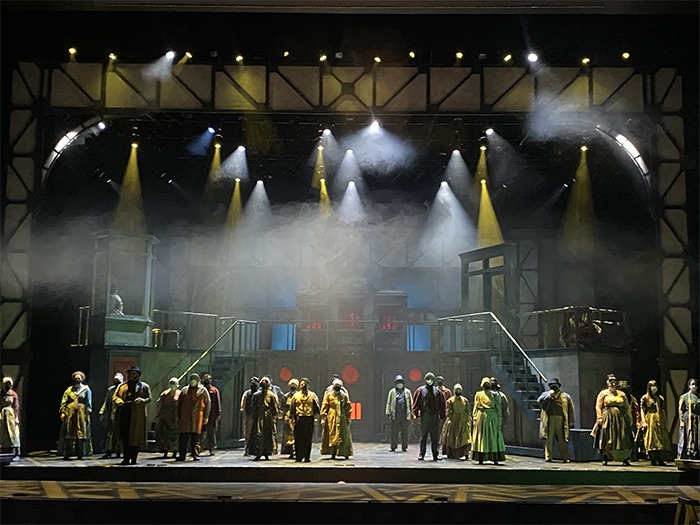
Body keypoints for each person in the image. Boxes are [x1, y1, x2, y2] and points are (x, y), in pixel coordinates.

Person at [591, 373, 633, 466]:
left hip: (620, 418)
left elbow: (627, 407)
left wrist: (629, 417)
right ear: (607, 383)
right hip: (608, 417)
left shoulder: (621, 394)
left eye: (614, 382)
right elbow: (598, 406)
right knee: (607, 436)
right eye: (611, 382)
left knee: (622, 436)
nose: (613, 384)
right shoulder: (603, 393)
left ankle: (624, 457)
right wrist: (599, 418)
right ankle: (606, 456)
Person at [112, 366, 151, 465]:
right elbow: (115, 396)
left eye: (134, 374)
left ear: (138, 375)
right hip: (124, 413)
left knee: (135, 438)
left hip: (137, 416)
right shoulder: (122, 386)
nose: (131, 375)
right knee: (125, 437)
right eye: (130, 373)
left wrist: (142, 400)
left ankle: (134, 458)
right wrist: (119, 401)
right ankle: (126, 458)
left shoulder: (144, 386)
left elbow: (149, 398)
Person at [537, 377, 575, 463]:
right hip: (549, 418)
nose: (554, 387)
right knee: (549, 439)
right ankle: (548, 456)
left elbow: (570, 409)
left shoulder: (565, 396)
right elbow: (540, 401)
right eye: (552, 386)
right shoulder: (545, 394)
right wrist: (549, 395)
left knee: (562, 439)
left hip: (561, 419)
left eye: (555, 385)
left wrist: (571, 421)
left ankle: (565, 457)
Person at [58, 371, 93, 460]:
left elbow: (88, 402)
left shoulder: (86, 389)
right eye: (76, 378)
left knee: (80, 432)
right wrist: (63, 412)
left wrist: (88, 412)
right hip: (70, 413)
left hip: (81, 413)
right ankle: (67, 453)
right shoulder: (69, 390)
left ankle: (80, 454)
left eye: (79, 378)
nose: (77, 379)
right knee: (69, 432)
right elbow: (64, 401)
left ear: (82, 379)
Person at [471, 377, 506, 465]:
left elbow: (498, 408)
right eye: (484, 384)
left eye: (487, 384)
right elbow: (475, 407)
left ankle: (495, 457)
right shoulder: (478, 394)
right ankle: (480, 458)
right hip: (481, 418)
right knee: (482, 438)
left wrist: (499, 419)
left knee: (492, 437)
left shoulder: (495, 395)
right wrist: (474, 418)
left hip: (492, 418)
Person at [412, 372, 446, 461]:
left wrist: (442, 416)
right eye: (428, 379)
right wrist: (416, 415)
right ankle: (421, 454)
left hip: (434, 416)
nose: (429, 381)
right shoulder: (420, 390)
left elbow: (442, 405)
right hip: (425, 415)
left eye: (431, 379)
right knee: (423, 437)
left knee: (435, 437)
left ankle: (435, 454)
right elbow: (416, 403)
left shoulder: (437, 391)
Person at [177, 373, 211, 462]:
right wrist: (179, 416)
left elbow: (208, 403)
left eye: (194, 379)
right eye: (191, 379)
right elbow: (179, 404)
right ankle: (182, 455)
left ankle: (195, 454)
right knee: (183, 438)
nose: (193, 381)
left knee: (195, 438)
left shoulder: (203, 390)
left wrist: (206, 416)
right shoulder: (184, 390)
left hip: (197, 417)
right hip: (185, 417)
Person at [640, 379, 671, 466]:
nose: (654, 388)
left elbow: (662, 409)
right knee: (652, 438)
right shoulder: (645, 398)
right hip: (650, 418)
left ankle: (660, 458)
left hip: (659, 419)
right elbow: (642, 409)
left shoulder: (660, 398)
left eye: (655, 386)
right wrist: (643, 421)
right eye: (652, 386)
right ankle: (653, 459)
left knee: (661, 438)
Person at [321, 378, 353, 460]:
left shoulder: (343, 396)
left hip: (342, 418)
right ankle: (333, 453)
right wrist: (323, 417)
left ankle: (345, 452)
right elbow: (325, 406)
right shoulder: (329, 395)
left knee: (343, 435)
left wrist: (348, 417)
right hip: (331, 417)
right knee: (332, 434)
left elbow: (347, 407)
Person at [290, 377, 321, 462]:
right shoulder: (296, 396)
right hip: (299, 419)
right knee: (298, 438)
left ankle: (307, 456)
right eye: (302, 384)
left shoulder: (312, 395)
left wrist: (316, 419)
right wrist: (292, 419)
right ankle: (299, 456)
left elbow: (316, 408)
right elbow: (292, 408)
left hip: (308, 419)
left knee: (308, 439)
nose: (303, 386)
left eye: (305, 384)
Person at [249, 376, 279, 460]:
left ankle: (266, 453)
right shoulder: (256, 395)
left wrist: (274, 416)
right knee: (258, 435)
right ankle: (258, 452)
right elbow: (253, 406)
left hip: (267, 417)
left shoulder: (271, 395)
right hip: (259, 416)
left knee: (267, 435)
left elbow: (274, 407)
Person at [439, 383, 471, 459]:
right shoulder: (450, 400)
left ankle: (465, 453)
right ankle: (451, 453)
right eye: (457, 390)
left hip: (463, 421)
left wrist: (468, 419)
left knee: (464, 438)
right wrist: (452, 419)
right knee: (451, 437)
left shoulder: (465, 400)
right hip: (453, 421)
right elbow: (448, 411)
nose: (458, 391)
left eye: (459, 390)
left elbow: (467, 410)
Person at [98, 372, 123, 459]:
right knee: (110, 433)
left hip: (121, 414)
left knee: (120, 433)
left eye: (118, 381)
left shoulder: (124, 389)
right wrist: (102, 412)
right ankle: (109, 450)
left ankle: (119, 451)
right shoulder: (110, 390)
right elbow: (106, 401)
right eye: (115, 381)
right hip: (112, 414)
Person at [385, 374, 413, 453]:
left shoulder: (407, 392)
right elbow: (389, 403)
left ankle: (404, 446)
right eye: (398, 382)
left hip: (404, 414)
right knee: (394, 432)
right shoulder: (392, 392)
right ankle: (393, 446)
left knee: (405, 432)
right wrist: (388, 413)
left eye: (400, 382)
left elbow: (411, 403)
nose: (399, 384)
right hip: (395, 415)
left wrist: (412, 413)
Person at [155, 377, 180, 459]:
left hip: (175, 418)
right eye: (171, 383)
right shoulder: (165, 394)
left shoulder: (180, 394)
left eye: (174, 383)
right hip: (165, 418)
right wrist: (158, 415)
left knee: (175, 436)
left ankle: (175, 451)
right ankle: (165, 451)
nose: (172, 385)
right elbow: (159, 404)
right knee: (165, 436)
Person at [619, 380, 644, 460]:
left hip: (630, 420)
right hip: (620, 420)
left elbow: (636, 410)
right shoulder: (617, 398)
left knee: (633, 438)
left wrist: (637, 421)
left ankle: (633, 455)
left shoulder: (632, 399)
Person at [200, 373, 221, 456]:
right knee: (200, 432)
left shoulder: (214, 390)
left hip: (212, 414)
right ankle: (199, 448)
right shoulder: (200, 390)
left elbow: (217, 402)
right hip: (202, 413)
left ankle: (211, 448)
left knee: (211, 432)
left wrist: (218, 413)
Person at [678, 378, 699, 460]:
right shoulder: (685, 396)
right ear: (689, 386)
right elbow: (680, 409)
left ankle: (696, 451)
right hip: (688, 417)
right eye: (692, 384)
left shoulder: (698, 397)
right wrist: (681, 419)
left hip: (697, 417)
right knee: (689, 434)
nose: (694, 386)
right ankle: (689, 451)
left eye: (696, 385)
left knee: (696, 434)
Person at [0, 377, 21, 461]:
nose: (7, 386)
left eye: (9, 384)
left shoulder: (13, 394)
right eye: (6, 384)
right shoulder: (1, 393)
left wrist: (16, 417)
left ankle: (16, 452)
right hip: (2, 415)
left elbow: (16, 406)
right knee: (3, 434)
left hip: (11, 415)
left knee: (14, 433)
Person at [240, 376, 259, 456]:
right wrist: (245, 414)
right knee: (248, 433)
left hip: (257, 416)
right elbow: (243, 405)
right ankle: (247, 449)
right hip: (249, 416)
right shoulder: (247, 393)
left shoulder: (259, 394)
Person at [281, 378, 299, 458]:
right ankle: (290, 451)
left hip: (297, 416)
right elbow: (283, 407)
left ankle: (296, 450)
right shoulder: (286, 396)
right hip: (288, 417)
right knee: (288, 435)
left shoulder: (299, 395)